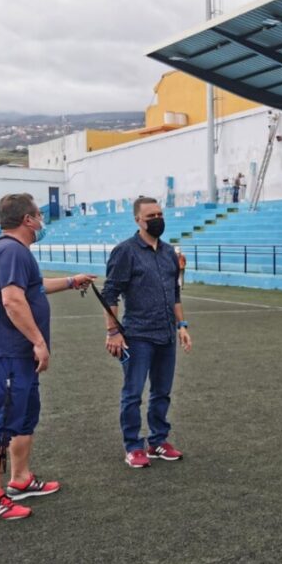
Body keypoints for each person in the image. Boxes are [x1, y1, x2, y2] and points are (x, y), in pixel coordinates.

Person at [0, 193, 95, 519]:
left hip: (16, 354)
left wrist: (71, 282)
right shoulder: (12, 250)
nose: (42, 221)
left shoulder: (14, 252)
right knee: (1, 423)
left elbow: (34, 288)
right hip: (9, 353)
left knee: (24, 417)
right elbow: (13, 300)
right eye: (39, 215)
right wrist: (39, 342)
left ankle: (20, 479)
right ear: (28, 220)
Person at [101, 196, 192, 468]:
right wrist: (113, 332)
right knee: (133, 393)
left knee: (162, 392)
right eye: (150, 216)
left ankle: (158, 441)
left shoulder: (168, 254)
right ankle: (133, 446)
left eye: (160, 214)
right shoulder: (125, 251)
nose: (156, 220)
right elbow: (110, 294)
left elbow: (175, 293)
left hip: (166, 334)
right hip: (138, 335)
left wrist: (182, 326)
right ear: (137, 220)